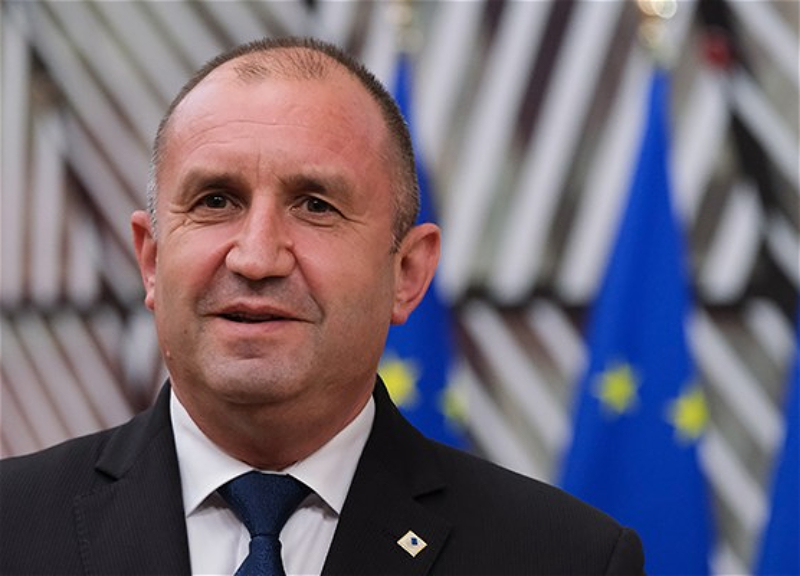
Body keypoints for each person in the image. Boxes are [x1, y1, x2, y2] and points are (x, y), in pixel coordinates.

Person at [0, 37, 644, 575]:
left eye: (315, 206)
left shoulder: (567, 560)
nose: (256, 257)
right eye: (216, 201)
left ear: (407, 273)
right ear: (150, 259)